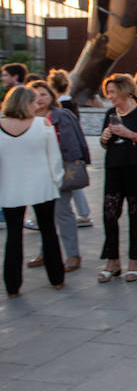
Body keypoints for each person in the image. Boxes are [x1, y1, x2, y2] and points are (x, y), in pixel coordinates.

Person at [1, 86, 65, 297]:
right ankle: (56, 278)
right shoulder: (42, 124)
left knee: (13, 235)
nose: (37, 105)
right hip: (42, 185)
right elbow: (54, 158)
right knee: (48, 232)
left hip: (10, 187)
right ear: (26, 103)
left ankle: (12, 286)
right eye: (34, 101)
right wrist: (57, 181)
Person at [98, 74, 137, 282]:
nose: (110, 96)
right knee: (109, 213)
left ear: (125, 90)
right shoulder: (110, 113)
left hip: (136, 169)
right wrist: (104, 138)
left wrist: (129, 133)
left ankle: (134, 260)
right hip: (114, 168)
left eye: (113, 92)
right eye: (108, 92)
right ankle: (112, 260)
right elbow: (104, 143)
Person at [26, 80, 90, 272]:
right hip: (36, 172)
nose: (39, 99)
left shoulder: (61, 115)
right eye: (35, 95)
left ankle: (72, 255)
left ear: (51, 97)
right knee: (43, 216)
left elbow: (71, 143)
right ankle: (46, 252)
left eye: (43, 94)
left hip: (59, 170)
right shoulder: (26, 117)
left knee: (62, 212)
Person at [48, 68, 92, 227]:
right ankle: (84, 213)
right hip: (71, 149)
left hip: (65, 150)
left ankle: (84, 213)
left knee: (70, 182)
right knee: (72, 183)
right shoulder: (71, 103)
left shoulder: (61, 106)